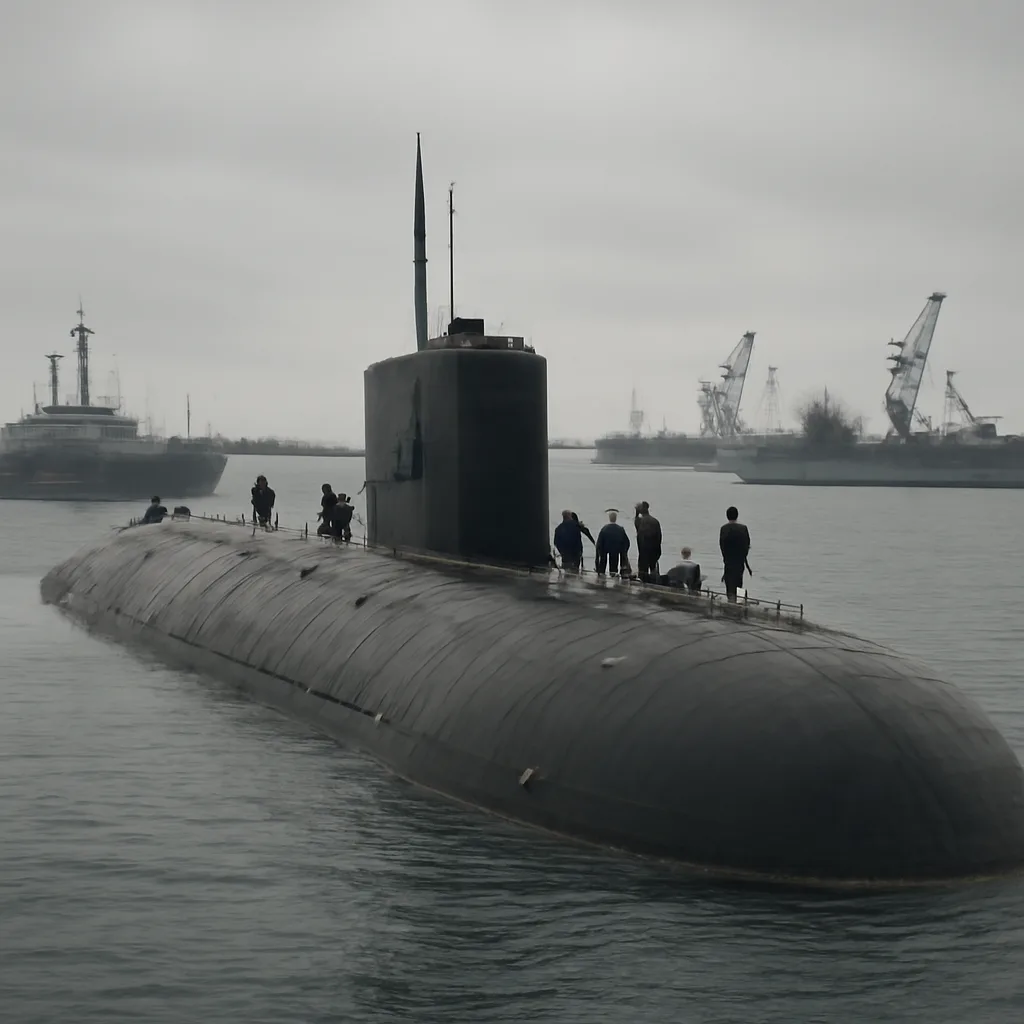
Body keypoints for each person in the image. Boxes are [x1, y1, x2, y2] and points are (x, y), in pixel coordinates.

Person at [719, 505, 752, 602]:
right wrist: (743, 557)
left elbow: (722, 546)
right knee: (739, 583)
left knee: (729, 584)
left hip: (729, 561)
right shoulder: (743, 528)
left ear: (727, 516)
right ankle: (739, 603)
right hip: (739, 561)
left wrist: (725, 558)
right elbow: (747, 545)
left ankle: (730, 602)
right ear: (737, 515)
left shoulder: (724, 529)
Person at [633, 500, 662, 581]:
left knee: (643, 572)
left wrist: (636, 513)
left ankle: (643, 584)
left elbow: (636, 526)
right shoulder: (655, 521)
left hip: (643, 551)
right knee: (653, 570)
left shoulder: (639, 521)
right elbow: (659, 537)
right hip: (654, 550)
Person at [596, 510, 630, 576]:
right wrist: (623, 552)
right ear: (616, 518)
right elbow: (626, 542)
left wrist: (599, 552)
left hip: (605, 549)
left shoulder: (604, 529)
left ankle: (602, 574)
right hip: (616, 550)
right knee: (614, 567)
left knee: (603, 564)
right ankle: (613, 575)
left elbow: (599, 542)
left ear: (609, 518)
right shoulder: (620, 529)